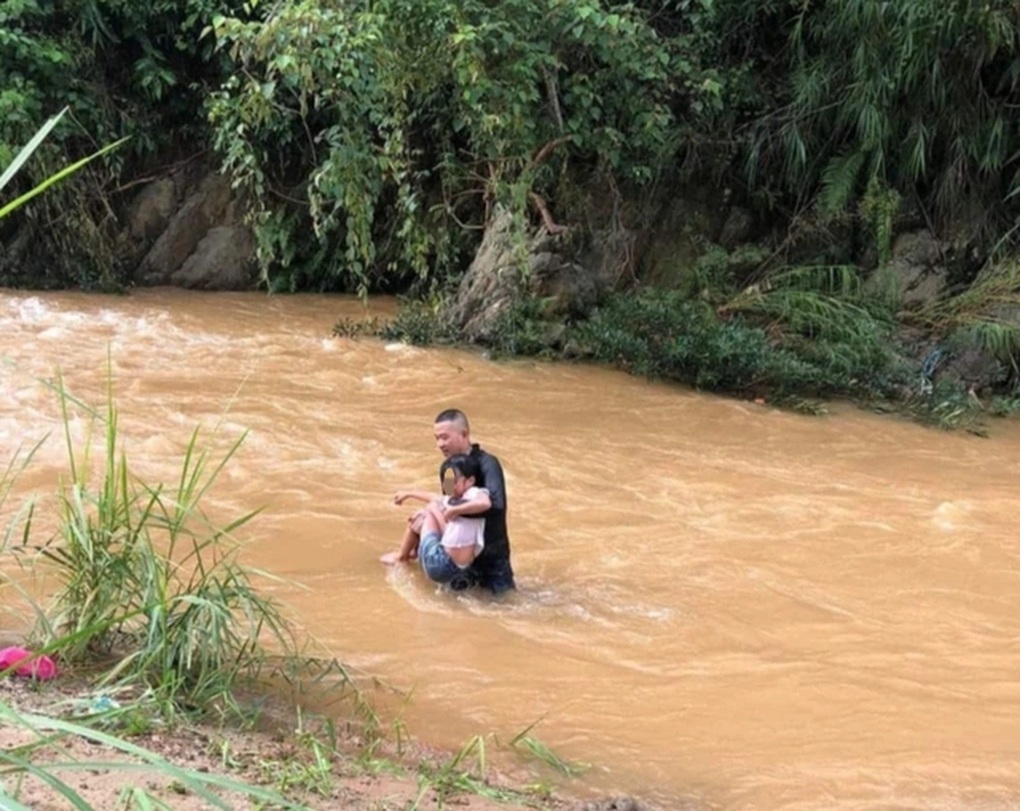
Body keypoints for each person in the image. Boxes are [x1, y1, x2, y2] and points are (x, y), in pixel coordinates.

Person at [388, 408, 516, 594]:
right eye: (437, 438)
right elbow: (445, 501)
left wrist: (452, 511)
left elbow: (496, 506)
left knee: (507, 606)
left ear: (464, 434)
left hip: (491, 557)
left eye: (445, 437)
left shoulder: (488, 463)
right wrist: (428, 516)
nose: (440, 444)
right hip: (460, 558)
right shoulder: (449, 468)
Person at [380, 454, 490, 588]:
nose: (449, 486)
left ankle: (401, 558)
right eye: (447, 482)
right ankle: (415, 549)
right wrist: (408, 493)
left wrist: (455, 511)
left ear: (470, 481)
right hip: (461, 569)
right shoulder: (453, 498)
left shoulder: (473, 493)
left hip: (442, 565)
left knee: (425, 513)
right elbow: (435, 497)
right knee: (432, 506)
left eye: (454, 481)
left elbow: (485, 503)